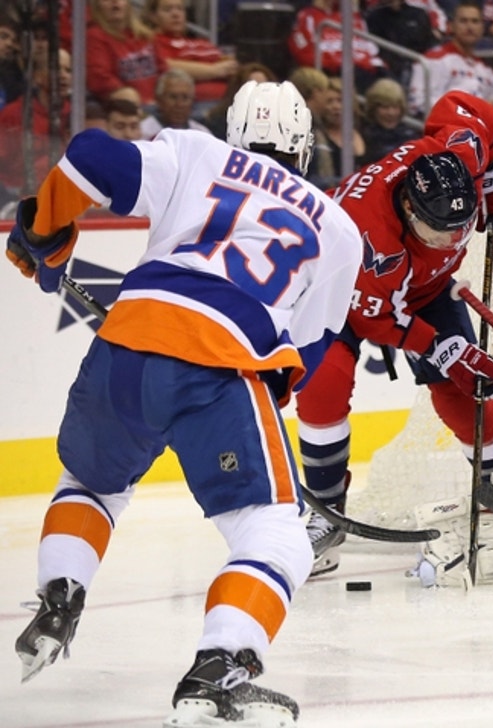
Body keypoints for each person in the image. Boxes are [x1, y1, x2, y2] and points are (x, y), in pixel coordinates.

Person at [7, 80, 362, 725]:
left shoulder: (196, 153)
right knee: (279, 534)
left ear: (233, 130)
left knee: (92, 481)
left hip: (125, 343)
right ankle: (221, 668)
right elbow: (305, 357)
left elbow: (88, 156)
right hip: (222, 364)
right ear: (306, 148)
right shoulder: (337, 228)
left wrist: (44, 230)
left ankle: (59, 600)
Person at [295, 90, 493, 577]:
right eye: (440, 232)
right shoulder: (370, 236)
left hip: (423, 290)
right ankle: (325, 516)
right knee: (323, 385)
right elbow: (379, 321)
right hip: (337, 291)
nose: (453, 240)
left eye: (462, 228)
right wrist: (446, 347)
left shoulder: (460, 154)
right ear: (409, 208)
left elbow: (465, 106)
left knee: (466, 396)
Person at [408, 0, 493, 117]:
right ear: (452, 26)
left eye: (475, 21)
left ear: (482, 28)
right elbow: (417, 103)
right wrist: (465, 110)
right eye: (463, 21)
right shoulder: (433, 60)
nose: (470, 27)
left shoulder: (488, 73)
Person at [0, 48, 70, 195]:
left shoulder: (75, 113)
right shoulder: (14, 114)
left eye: (68, 70)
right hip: (16, 196)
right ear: (37, 76)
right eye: (56, 69)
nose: (64, 76)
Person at [147, 0, 238, 105]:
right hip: (195, 104)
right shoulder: (153, 42)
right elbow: (166, 66)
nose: (176, 14)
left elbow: (229, 64)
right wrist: (215, 70)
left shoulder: (202, 42)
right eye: (168, 9)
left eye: (180, 9)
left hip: (230, 101)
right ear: (153, 16)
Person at [289, 0, 387, 92]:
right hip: (334, 72)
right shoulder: (307, 16)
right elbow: (303, 53)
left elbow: (370, 49)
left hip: (365, 70)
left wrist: (378, 65)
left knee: (388, 82)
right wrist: (334, 64)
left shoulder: (354, 17)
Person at [86, 0, 161, 104]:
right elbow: (99, 79)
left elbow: (163, 70)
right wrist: (131, 97)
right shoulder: (94, 36)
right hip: (124, 107)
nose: (114, 1)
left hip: (158, 105)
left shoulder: (145, 35)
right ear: (97, 6)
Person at [359, 78, 419, 164]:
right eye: (385, 107)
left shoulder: (411, 137)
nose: (391, 113)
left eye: (395, 107)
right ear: (373, 109)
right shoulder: (362, 136)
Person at [140, 68, 213, 139]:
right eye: (173, 97)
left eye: (185, 98)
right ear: (159, 100)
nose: (179, 104)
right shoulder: (142, 133)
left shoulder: (202, 134)